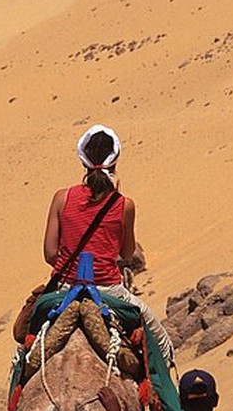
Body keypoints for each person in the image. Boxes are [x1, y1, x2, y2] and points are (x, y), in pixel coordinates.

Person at [43, 123, 175, 366]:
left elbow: (50, 253)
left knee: (24, 348)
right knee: (162, 346)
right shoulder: (125, 205)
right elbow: (126, 253)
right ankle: (166, 401)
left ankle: (15, 397)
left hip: (64, 289)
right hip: (108, 291)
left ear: (82, 160)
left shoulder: (62, 198)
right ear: (115, 161)